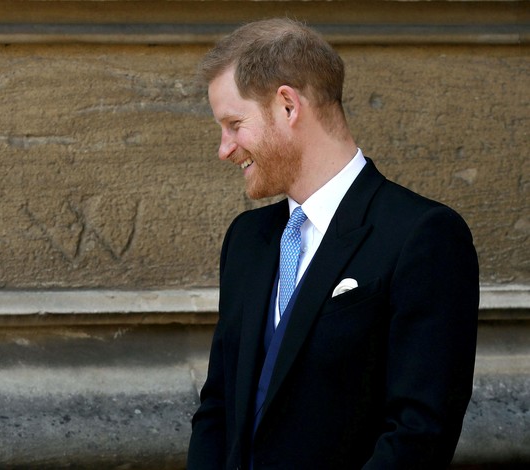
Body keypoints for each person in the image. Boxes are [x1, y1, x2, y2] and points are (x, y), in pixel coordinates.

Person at [187, 18, 479, 469]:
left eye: (234, 124)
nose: (225, 149)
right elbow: (218, 407)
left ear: (287, 106)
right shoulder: (247, 240)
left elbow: (419, 433)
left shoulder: (423, 236)